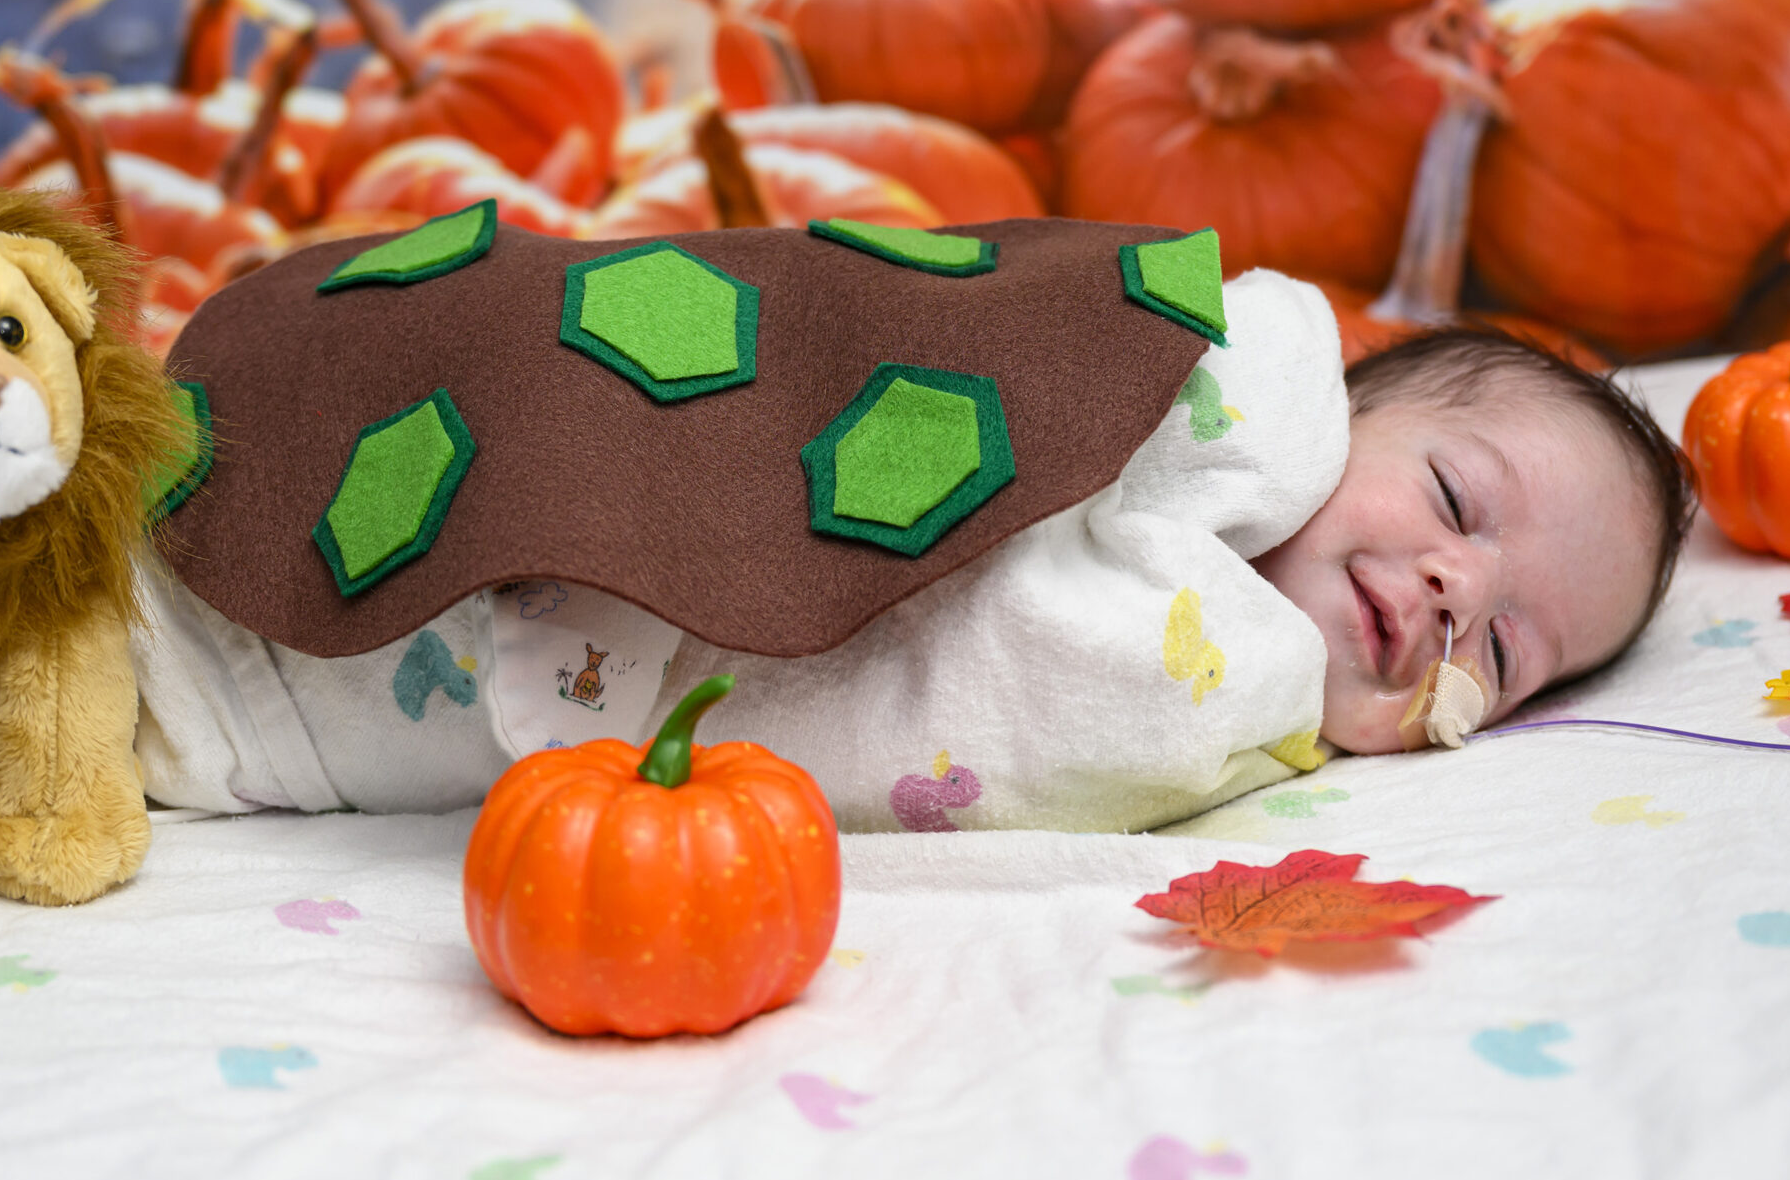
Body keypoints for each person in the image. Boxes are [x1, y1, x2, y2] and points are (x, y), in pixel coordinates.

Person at [132, 267, 1693, 833]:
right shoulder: (1209, 387)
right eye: (1458, 501)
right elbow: (874, 333)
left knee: (122, 700)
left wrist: (1284, 687)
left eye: (1509, 648)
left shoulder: (1242, 718)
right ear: (1344, 405)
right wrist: (1263, 401)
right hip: (493, 480)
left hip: (300, 725)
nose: (1458, 591)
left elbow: (1088, 685)